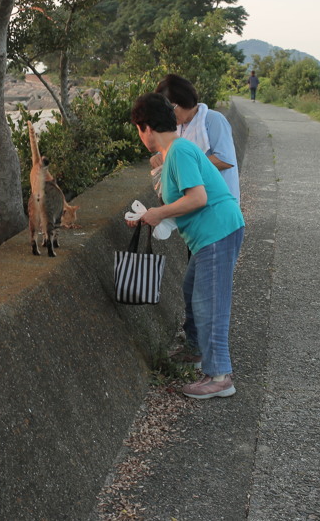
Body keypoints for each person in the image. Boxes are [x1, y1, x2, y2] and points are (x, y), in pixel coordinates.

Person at [128, 93, 245, 399]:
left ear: (146, 128)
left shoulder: (178, 151)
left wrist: (159, 212)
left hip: (217, 231)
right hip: (213, 232)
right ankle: (197, 351)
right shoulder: (174, 152)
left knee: (211, 305)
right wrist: (147, 217)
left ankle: (220, 377)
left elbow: (198, 198)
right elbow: (183, 205)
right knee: (194, 290)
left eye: (139, 130)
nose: (140, 136)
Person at [154, 74, 240, 201]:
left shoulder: (213, 120)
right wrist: (159, 157)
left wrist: (183, 165)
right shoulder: (176, 126)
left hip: (218, 199)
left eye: (171, 108)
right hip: (192, 201)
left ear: (184, 100)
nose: (168, 115)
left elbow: (225, 160)